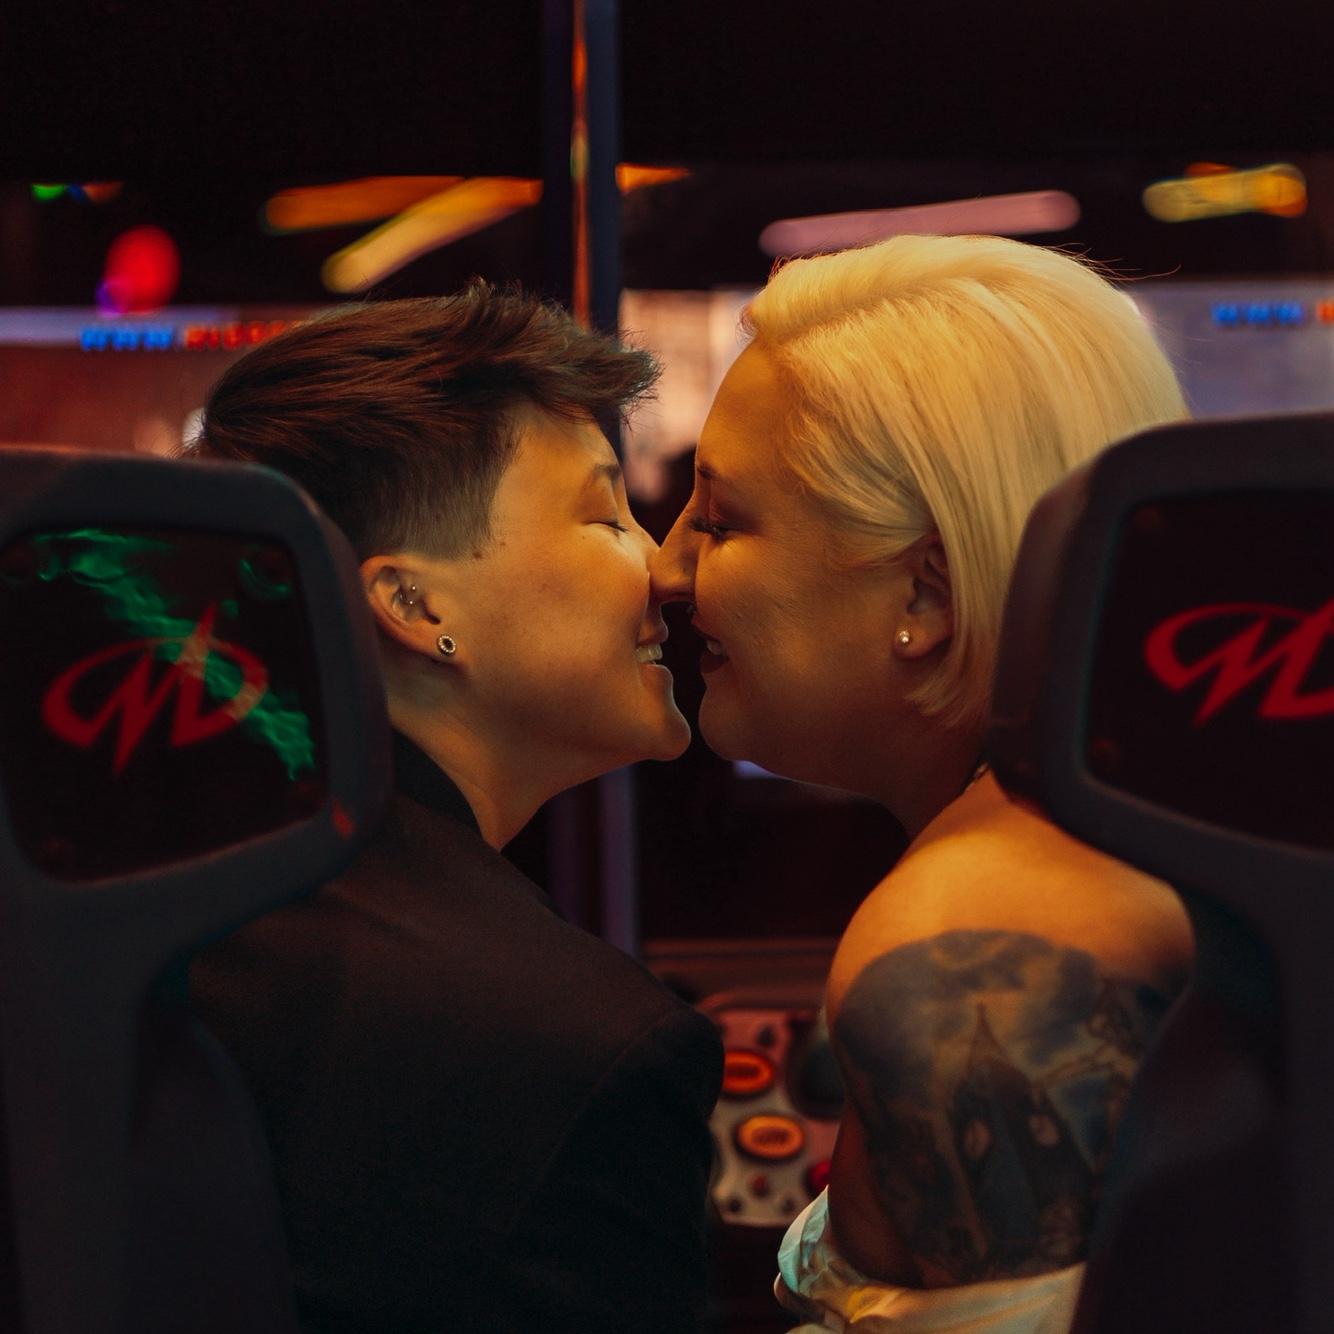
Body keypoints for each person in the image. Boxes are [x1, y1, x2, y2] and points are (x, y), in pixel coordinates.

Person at [651, 234, 1195, 1332]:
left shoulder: (957, 938)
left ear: (927, 595)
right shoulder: (1140, 829)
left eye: (720, 519)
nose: (666, 565)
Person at [186, 287, 722, 1334]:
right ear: (415, 604)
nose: (663, 566)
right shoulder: (572, 1043)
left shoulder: (174, 897)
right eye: (605, 514)